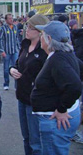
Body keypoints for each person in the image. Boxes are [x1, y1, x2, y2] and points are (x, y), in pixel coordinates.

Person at [31, 21, 82, 155]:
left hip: (56, 122)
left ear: (49, 39)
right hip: (58, 118)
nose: (40, 37)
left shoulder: (58, 59)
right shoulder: (65, 54)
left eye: (42, 35)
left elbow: (75, 86)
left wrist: (62, 108)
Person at [9, 14, 49, 155]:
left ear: (40, 31)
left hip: (35, 102)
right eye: (27, 26)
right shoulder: (25, 45)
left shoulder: (44, 51)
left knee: (35, 142)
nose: (27, 30)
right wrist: (12, 70)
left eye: (31, 28)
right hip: (22, 97)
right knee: (26, 138)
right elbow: (17, 64)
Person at [0, 13, 20, 90]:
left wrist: (19, 48)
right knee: (6, 69)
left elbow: (17, 38)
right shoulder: (3, 28)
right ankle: (6, 83)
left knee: (16, 68)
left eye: (12, 18)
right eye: (10, 18)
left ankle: (17, 85)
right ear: (6, 20)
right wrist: (2, 50)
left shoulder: (15, 27)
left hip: (14, 51)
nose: (11, 20)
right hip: (6, 51)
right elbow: (0, 40)